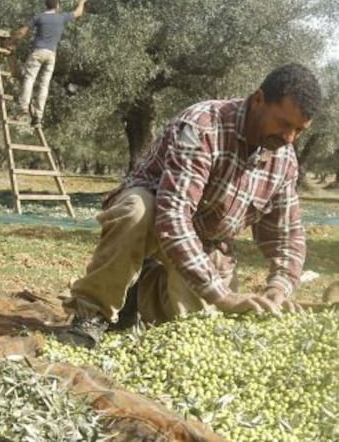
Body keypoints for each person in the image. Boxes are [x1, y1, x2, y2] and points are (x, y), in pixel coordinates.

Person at [60, 63, 322, 348]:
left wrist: (279, 287)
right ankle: (92, 315)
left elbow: (287, 237)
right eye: (284, 124)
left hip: (205, 244)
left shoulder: (283, 160)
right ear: (258, 100)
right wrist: (220, 295)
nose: (289, 139)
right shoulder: (203, 126)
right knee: (137, 210)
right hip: (156, 220)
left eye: (299, 130)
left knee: (194, 334)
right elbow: (173, 215)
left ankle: (138, 289)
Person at [8, 0, 87, 127]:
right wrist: (82, 1)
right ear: (57, 6)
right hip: (51, 55)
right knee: (44, 85)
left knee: (29, 79)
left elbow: (22, 32)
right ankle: (38, 116)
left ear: (46, 5)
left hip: (38, 52)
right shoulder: (61, 17)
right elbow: (78, 12)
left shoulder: (39, 17)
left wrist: (11, 42)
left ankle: (24, 109)